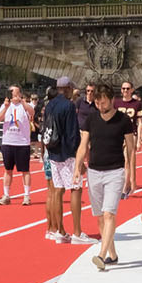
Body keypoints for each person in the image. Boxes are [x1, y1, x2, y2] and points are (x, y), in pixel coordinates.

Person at [75, 84, 137, 270]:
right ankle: (112, 254)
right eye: (97, 103)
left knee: (110, 213)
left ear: (111, 100)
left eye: (103, 103)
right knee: (100, 217)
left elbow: (131, 150)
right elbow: (83, 144)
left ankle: (101, 255)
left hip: (115, 171)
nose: (100, 106)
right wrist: (78, 167)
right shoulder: (91, 119)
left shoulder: (123, 120)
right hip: (94, 171)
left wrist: (131, 176)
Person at [44, 78, 90, 243]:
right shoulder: (69, 105)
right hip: (67, 153)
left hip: (53, 153)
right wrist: (79, 160)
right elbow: (72, 134)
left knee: (57, 190)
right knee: (76, 189)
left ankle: (59, 231)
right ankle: (77, 232)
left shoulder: (50, 105)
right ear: (69, 88)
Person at [0, 85, 35, 205]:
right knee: (8, 170)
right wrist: (6, 106)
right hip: (8, 141)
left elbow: (32, 112)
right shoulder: (6, 105)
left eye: (15, 92)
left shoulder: (25, 105)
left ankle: (27, 195)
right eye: (11, 92)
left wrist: (22, 102)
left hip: (22, 142)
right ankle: (6, 195)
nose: (13, 95)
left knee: (25, 170)